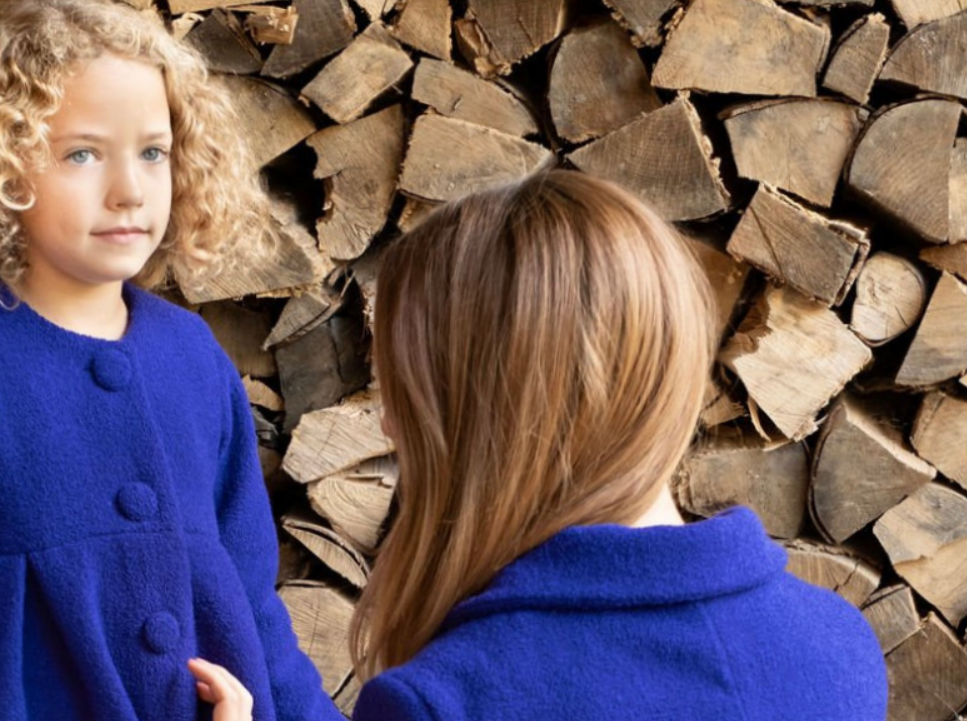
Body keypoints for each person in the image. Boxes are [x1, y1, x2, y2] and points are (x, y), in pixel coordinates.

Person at [0, 0, 342, 721]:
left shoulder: (193, 356)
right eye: (82, 153)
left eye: (153, 153)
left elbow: (250, 601)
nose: (128, 191)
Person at [350, 170, 888, 721]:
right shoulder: (840, 646)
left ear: (491, 411)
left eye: (403, 391)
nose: (390, 424)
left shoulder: (448, 699)